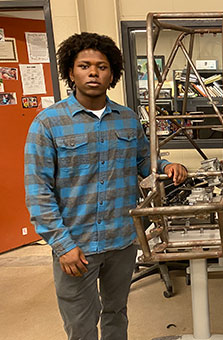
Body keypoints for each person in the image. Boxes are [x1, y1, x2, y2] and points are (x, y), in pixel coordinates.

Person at [24, 32, 188, 340]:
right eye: (84, 65)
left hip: (122, 241)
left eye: (101, 66)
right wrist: (63, 245)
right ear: (70, 72)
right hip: (77, 245)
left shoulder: (127, 120)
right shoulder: (48, 124)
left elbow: (144, 162)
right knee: (81, 325)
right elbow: (38, 192)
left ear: (112, 72)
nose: (93, 72)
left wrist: (167, 166)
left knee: (116, 313)